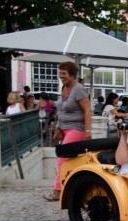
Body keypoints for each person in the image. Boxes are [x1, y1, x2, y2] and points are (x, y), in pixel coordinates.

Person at [45, 61, 92, 201]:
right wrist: (58, 126)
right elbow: (61, 109)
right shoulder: (64, 88)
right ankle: (73, 189)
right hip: (65, 128)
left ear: (72, 74)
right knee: (71, 161)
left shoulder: (79, 89)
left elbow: (87, 110)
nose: (61, 76)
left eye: (64, 73)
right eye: (60, 73)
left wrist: (88, 130)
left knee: (62, 158)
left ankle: (58, 191)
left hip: (76, 129)